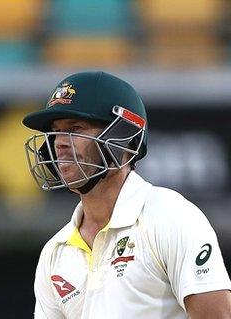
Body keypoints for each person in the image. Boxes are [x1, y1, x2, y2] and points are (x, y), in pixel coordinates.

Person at [22, 71, 231, 318]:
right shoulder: (55, 252)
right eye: (55, 132)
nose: (59, 143)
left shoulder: (170, 216)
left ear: (120, 136)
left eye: (75, 128)